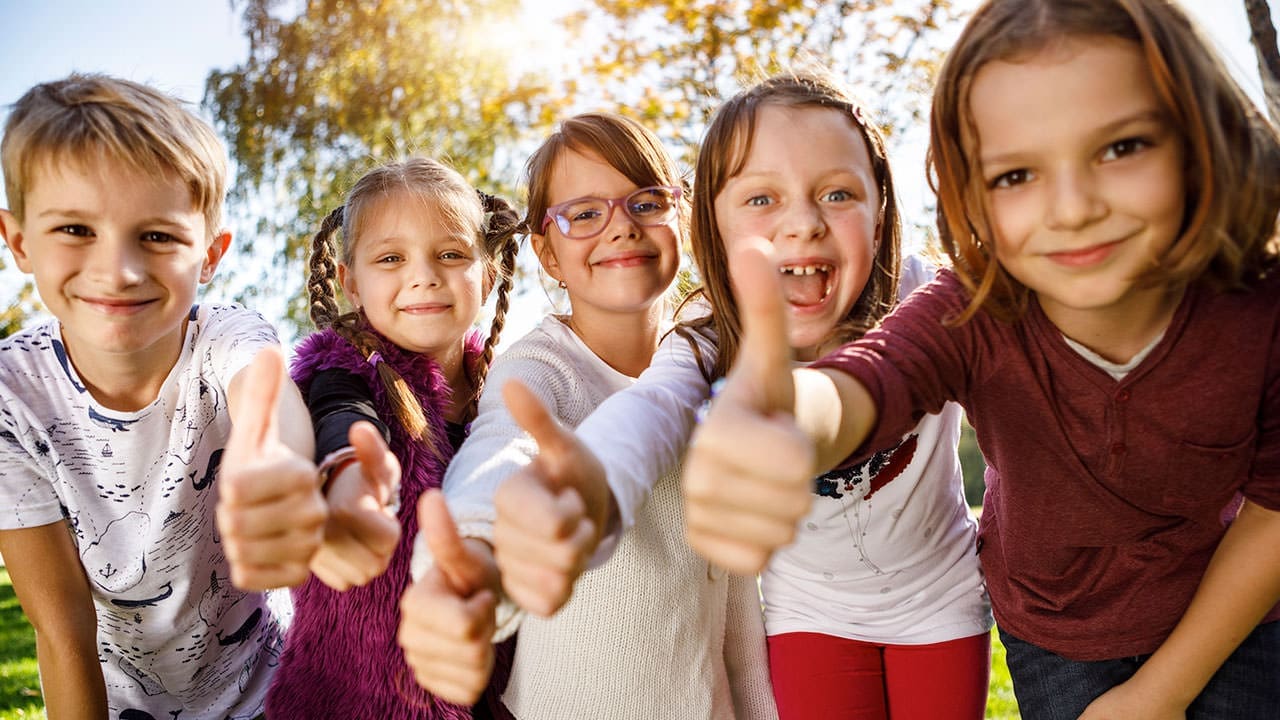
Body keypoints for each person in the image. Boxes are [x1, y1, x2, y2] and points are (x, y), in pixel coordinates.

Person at [683, 1, 1280, 719]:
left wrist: (1159, 694)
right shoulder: (977, 307)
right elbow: (875, 377)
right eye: (1015, 175)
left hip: (1233, 613)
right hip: (1056, 630)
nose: (1072, 207)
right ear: (970, 195)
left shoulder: (1260, 314)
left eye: (1121, 148)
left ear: (1202, 137)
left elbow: (1273, 511)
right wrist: (787, 418)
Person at [492, 72, 993, 719]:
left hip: (939, 601)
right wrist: (597, 481)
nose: (803, 223)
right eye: (762, 199)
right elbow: (651, 409)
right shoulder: (707, 341)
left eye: (838, 193)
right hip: (814, 614)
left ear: (881, 210)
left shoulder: (925, 300)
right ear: (714, 227)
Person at [397, 112, 777, 720]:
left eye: (646, 202)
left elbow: (728, 593)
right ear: (547, 253)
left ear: (679, 215)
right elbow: (502, 452)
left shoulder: (713, 358)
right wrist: (471, 559)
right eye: (584, 214)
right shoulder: (538, 369)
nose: (621, 227)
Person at [0, 73, 320, 719]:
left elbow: (262, 392)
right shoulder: (12, 397)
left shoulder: (224, 334)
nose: (117, 270)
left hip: (274, 692)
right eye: (74, 230)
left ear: (210, 256)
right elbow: (63, 637)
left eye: (158, 236)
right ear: (18, 241)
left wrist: (279, 468)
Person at [265, 157, 520, 719]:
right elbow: (342, 420)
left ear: (492, 272)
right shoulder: (340, 374)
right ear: (350, 281)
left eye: (451, 254)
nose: (424, 275)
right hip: (354, 704)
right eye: (391, 258)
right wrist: (349, 480)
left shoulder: (514, 392)